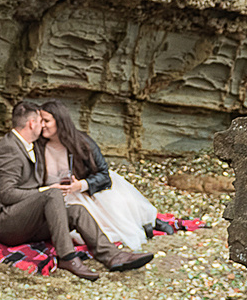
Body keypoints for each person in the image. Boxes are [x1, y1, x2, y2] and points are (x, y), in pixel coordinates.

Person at [0, 98, 153, 280]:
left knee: (77, 211)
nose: (43, 126)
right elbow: (8, 195)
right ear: (32, 124)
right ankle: (68, 257)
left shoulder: (31, 145)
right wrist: (46, 191)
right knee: (52, 193)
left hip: (24, 220)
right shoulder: (9, 149)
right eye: (41, 121)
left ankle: (112, 256)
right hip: (5, 224)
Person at [42, 100, 160, 249]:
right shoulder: (39, 145)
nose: (42, 125)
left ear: (59, 121)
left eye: (46, 121)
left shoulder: (82, 142)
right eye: (41, 121)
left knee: (104, 223)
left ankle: (148, 224)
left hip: (87, 190)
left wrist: (80, 185)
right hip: (57, 194)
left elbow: (104, 175)